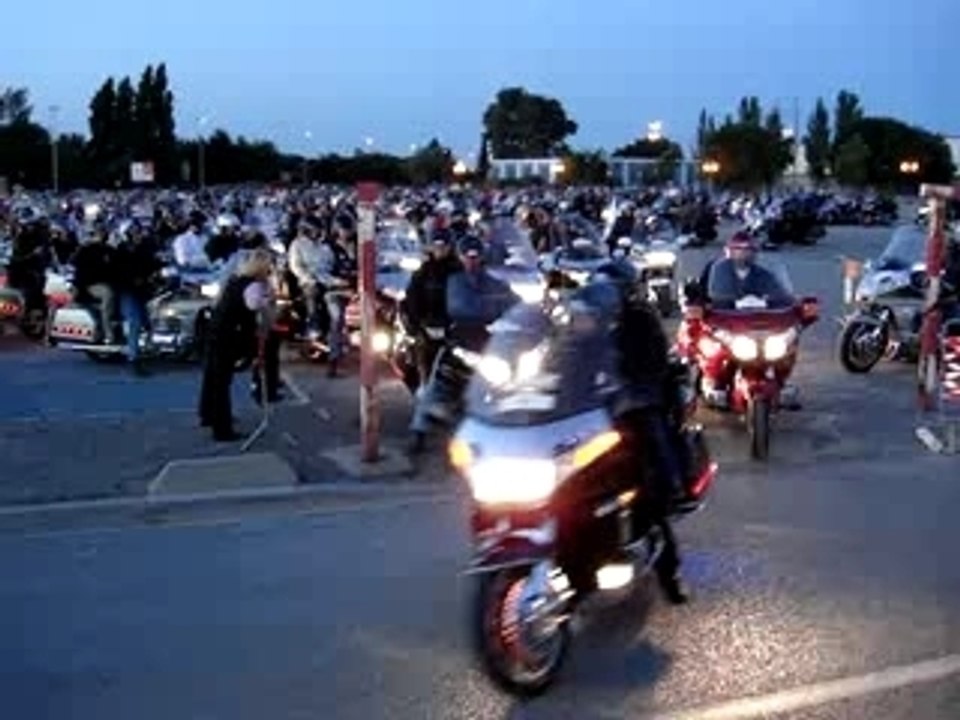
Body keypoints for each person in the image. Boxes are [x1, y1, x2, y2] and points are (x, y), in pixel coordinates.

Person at [590, 259, 691, 604]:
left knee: (647, 489)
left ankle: (670, 572)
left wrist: (630, 389)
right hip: (594, 409)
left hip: (635, 405)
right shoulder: (585, 321)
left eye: (611, 291)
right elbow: (566, 357)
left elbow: (653, 366)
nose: (606, 297)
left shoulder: (642, 321)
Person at [408, 235, 519, 454]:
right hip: (456, 337)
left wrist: (524, 309)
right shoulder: (450, 276)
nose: (472, 260)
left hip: (486, 338)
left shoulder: (491, 279)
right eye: (467, 256)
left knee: (510, 377)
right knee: (435, 383)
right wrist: (425, 322)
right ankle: (418, 430)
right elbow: (456, 305)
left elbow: (512, 299)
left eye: (475, 256)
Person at [198, 249, 274, 442]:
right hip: (229, 336)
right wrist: (269, 300)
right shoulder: (253, 286)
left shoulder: (235, 280)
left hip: (217, 331)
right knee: (221, 382)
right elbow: (255, 305)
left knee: (212, 379)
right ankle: (222, 428)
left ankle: (208, 415)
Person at [403, 227, 463, 394]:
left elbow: (473, 294)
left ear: (451, 247)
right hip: (428, 324)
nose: (440, 249)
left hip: (455, 325)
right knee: (421, 351)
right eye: (436, 245)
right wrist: (416, 323)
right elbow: (412, 298)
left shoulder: (460, 270)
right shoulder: (423, 272)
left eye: (444, 245)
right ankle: (423, 385)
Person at [114, 222, 162, 374]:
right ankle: (133, 359)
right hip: (127, 291)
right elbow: (119, 271)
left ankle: (154, 347)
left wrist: (165, 263)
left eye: (139, 231)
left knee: (153, 319)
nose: (138, 234)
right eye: (134, 232)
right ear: (127, 234)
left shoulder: (144, 248)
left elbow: (152, 263)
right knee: (135, 321)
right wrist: (134, 278)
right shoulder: (121, 250)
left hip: (144, 291)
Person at [315, 215, 357, 378]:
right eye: (343, 229)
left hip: (359, 290)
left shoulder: (358, 245)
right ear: (336, 230)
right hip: (336, 292)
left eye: (349, 229)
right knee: (337, 318)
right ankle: (333, 361)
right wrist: (338, 281)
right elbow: (321, 272)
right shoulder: (328, 249)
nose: (346, 233)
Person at [71, 223, 120, 344]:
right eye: (98, 232)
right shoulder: (86, 249)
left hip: (110, 282)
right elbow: (76, 263)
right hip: (90, 284)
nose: (101, 235)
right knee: (108, 294)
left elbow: (119, 262)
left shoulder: (108, 249)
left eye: (103, 232)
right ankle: (107, 329)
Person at [288, 217, 328, 340]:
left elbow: (330, 261)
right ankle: (313, 325)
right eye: (315, 229)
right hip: (308, 280)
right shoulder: (297, 245)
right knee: (312, 293)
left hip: (326, 277)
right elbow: (295, 266)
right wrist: (308, 276)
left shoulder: (324, 244)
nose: (318, 232)